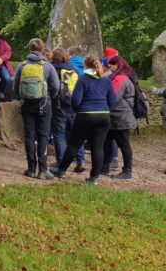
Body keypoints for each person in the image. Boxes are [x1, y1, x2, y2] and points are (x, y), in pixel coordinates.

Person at [50, 56, 117, 185]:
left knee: (74, 144)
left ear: (85, 66)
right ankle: (94, 178)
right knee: (98, 147)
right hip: (103, 116)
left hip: (85, 115)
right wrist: (104, 108)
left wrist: (78, 110)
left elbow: (75, 100)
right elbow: (112, 100)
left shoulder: (83, 79)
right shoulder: (106, 81)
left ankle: (61, 170)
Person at [14, 38, 60, 180]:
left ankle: (31, 169)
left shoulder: (22, 66)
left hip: (27, 105)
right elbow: (56, 87)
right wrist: (49, 97)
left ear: (30, 48)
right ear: (42, 49)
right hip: (44, 104)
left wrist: (22, 99)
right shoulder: (47, 66)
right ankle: (43, 170)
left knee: (29, 136)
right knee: (43, 136)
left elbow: (15, 86)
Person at [101, 55, 136, 180]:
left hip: (120, 116)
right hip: (115, 116)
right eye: (109, 63)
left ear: (119, 65)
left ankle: (127, 171)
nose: (109, 66)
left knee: (123, 143)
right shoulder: (118, 77)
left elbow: (113, 97)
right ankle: (104, 166)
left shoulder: (120, 78)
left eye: (112, 64)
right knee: (106, 140)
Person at [50, 48, 78, 168]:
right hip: (73, 104)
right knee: (75, 134)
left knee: (59, 134)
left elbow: (53, 86)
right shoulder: (73, 68)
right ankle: (79, 160)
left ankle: (61, 161)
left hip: (59, 104)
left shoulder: (54, 68)